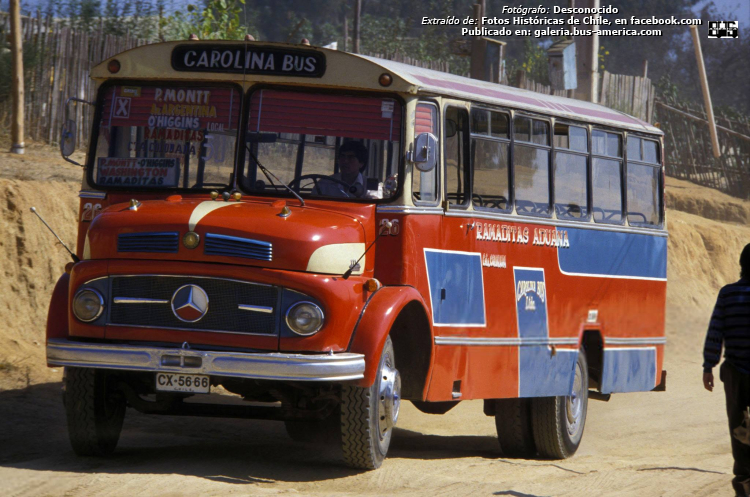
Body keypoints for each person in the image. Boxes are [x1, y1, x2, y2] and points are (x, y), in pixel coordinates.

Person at [704, 243, 750, 496]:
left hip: (736, 373)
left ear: (742, 265)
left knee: (740, 430)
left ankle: (744, 488)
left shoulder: (728, 294)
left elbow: (715, 332)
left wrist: (708, 366)